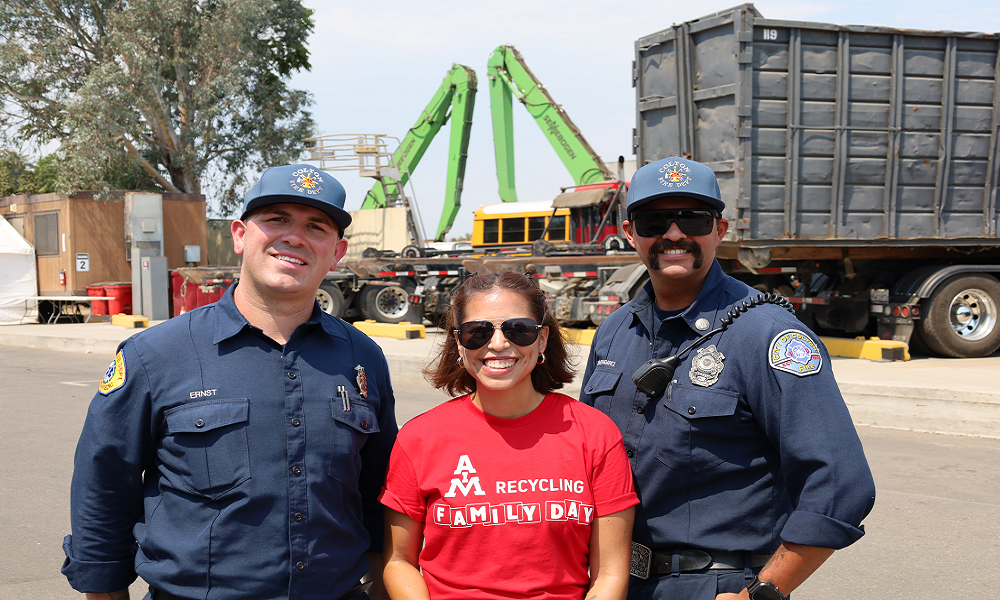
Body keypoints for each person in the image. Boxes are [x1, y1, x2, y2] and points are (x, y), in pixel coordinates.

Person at [62, 164, 398, 600]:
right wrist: (103, 590)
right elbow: (105, 480)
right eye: (277, 219)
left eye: (316, 227)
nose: (295, 237)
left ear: (337, 253)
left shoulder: (362, 357)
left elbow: (378, 488)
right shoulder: (156, 354)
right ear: (240, 235)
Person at [579, 157, 876, 600]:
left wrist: (765, 593)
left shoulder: (767, 333)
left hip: (715, 585)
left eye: (693, 219)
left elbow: (839, 481)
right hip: (615, 582)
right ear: (630, 233)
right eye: (655, 220)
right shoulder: (616, 330)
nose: (674, 233)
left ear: (719, 230)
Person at [380, 271, 638, 600]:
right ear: (459, 342)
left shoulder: (596, 434)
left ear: (542, 338)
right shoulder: (418, 438)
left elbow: (611, 572)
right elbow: (399, 561)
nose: (499, 344)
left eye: (519, 330)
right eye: (478, 332)